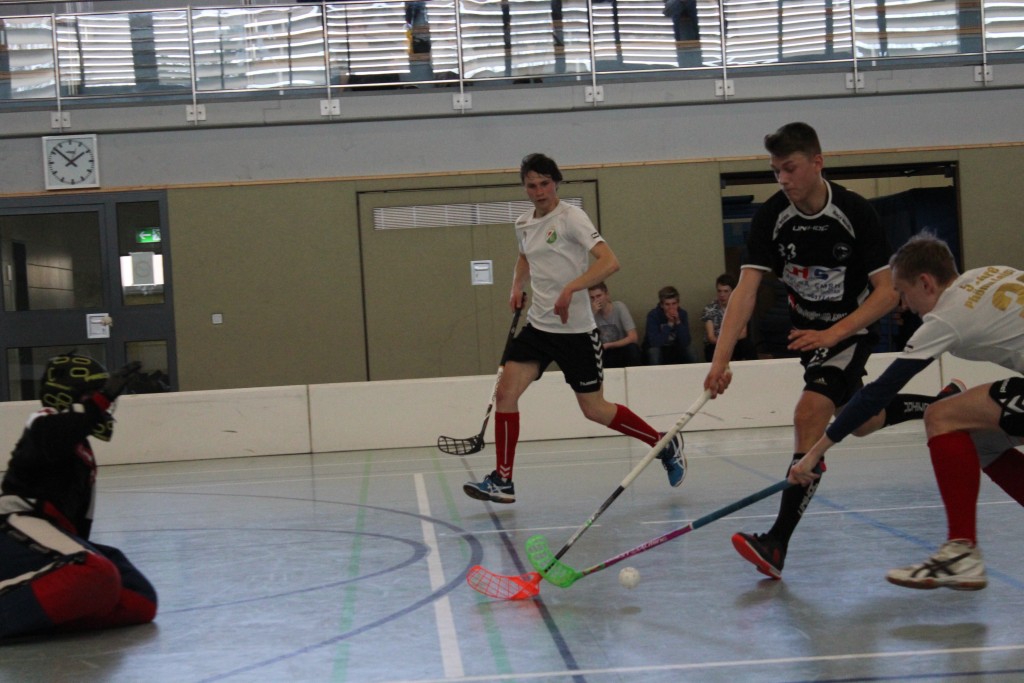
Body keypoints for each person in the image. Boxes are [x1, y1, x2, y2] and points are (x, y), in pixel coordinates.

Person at [703, 121, 939, 581]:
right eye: (776, 172)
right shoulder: (772, 216)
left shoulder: (854, 212)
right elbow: (747, 291)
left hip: (850, 332)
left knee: (809, 415)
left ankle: (776, 543)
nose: (783, 180)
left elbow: (887, 293)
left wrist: (835, 335)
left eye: (790, 169)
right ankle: (942, 403)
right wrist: (721, 359)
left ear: (817, 162)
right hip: (808, 337)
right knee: (864, 420)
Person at [789, 234, 1024, 590]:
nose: (902, 304)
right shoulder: (990, 273)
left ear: (926, 282)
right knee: (983, 441)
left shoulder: (946, 316)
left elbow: (878, 393)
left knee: (941, 416)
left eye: (903, 291)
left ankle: (961, 553)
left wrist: (814, 454)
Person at [463, 153, 686, 503]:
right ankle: (503, 480)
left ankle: (663, 441)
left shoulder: (572, 218)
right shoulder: (523, 223)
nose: (538, 191)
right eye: (531, 185)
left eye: (544, 184)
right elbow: (525, 257)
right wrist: (515, 286)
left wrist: (571, 288)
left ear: (556, 183)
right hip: (539, 327)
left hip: (577, 333)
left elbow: (610, 262)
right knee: (506, 394)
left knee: (594, 409)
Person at [0, 354, 157, 640]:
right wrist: (102, 400)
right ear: (67, 397)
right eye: (91, 394)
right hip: (15, 526)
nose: (105, 406)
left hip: (55, 537)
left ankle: (36, 619)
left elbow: (79, 525)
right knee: (95, 570)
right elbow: (55, 436)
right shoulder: (43, 422)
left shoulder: (81, 449)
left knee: (138, 597)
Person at [701, 273, 756, 362]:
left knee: (748, 346)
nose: (722, 295)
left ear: (733, 291)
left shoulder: (740, 307)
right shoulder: (709, 309)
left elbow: (743, 333)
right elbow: (711, 337)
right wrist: (724, 344)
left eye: (726, 291)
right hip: (716, 344)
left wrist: (729, 342)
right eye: (719, 291)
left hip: (734, 341)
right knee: (711, 350)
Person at [589, 281, 642, 368]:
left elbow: (633, 337)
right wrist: (592, 316)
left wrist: (609, 345)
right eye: (592, 298)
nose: (596, 300)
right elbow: (586, 340)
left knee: (633, 349)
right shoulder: (591, 315)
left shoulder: (619, 308)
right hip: (604, 353)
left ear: (607, 295)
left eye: (599, 296)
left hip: (621, 349)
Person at [644, 286, 695, 365]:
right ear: (661, 305)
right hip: (659, 348)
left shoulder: (682, 314)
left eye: (674, 304)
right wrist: (669, 324)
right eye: (667, 304)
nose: (671, 308)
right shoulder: (653, 315)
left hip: (675, 348)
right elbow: (654, 343)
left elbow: (686, 342)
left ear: (678, 303)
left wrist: (678, 322)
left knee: (691, 350)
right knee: (654, 352)